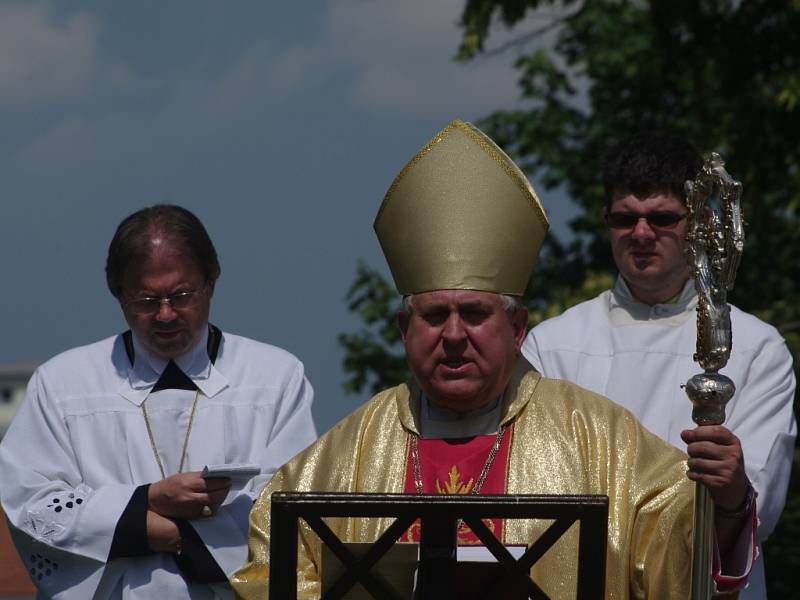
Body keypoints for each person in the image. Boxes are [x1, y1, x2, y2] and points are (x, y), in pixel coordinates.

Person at [231, 120, 756, 599]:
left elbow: (679, 559)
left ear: (518, 328)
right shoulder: (340, 457)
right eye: (434, 316)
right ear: (402, 330)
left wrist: (727, 502)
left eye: (476, 314)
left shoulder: (604, 440)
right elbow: (270, 572)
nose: (454, 336)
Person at [522, 132, 797, 598]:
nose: (642, 234)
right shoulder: (551, 346)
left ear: (698, 221)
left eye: (662, 218)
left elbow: (759, 514)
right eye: (625, 218)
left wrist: (731, 489)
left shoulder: (756, 348)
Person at [0, 205, 318, 599]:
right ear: (118, 295)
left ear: (211, 283)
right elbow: (30, 503)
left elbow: (290, 506)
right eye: (146, 301)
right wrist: (145, 504)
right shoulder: (63, 383)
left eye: (180, 295)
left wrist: (173, 534)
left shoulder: (274, 377)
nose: (166, 314)